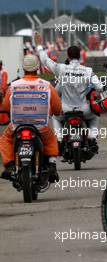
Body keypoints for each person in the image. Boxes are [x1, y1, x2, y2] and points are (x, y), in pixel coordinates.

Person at [0, 54, 62, 186]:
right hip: (40, 127)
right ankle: (51, 165)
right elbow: (57, 109)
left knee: (5, 139)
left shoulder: (14, 86)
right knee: (51, 139)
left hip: (17, 126)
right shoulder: (47, 86)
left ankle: (10, 165)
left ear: (24, 69)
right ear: (37, 69)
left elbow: (5, 106)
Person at [34, 32, 104, 147]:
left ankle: (60, 138)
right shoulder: (88, 70)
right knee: (95, 116)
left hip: (65, 109)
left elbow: (45, 61)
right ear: (80, 56)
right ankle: (92, 137)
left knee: (55, 118)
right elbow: (100, 87)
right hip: (83, 110)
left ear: (68, 56)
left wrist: (39, 46)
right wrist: (97, 94)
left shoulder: (61, 68)